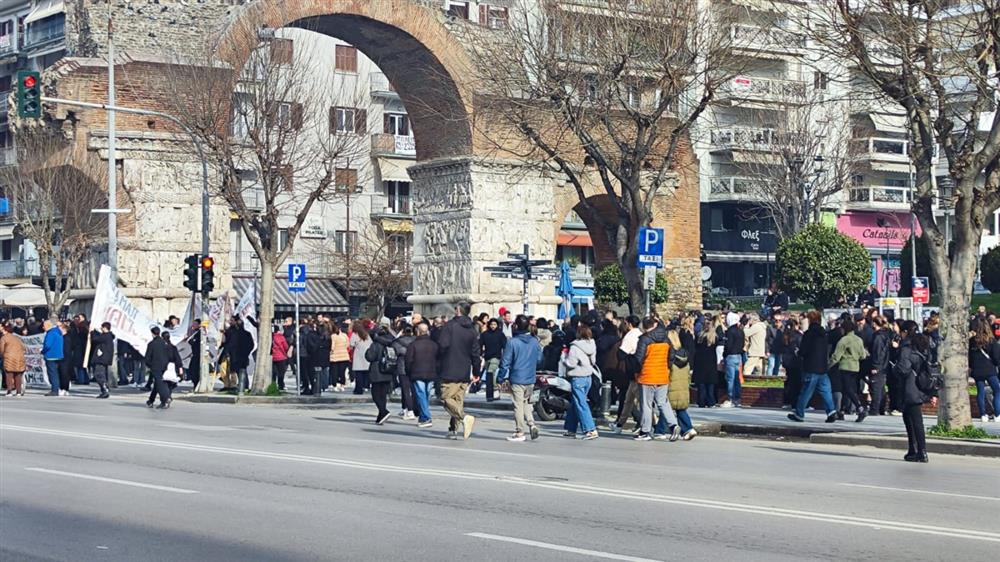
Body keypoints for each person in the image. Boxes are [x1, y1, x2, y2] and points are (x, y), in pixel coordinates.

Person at [437, 301, 481, 439]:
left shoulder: (450, 326)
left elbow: (442, 346)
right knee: (457, 399)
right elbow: (476, 353)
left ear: (458, 311)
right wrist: (476, 371)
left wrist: (439, 360)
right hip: (464, 369)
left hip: (450, 367)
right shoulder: (472, 329)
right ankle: (453, 429)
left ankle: (464, 417)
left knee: (445, 398)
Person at [496, 314, 543, 442]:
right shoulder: (534, 341)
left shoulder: (512, 342)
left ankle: (519, 431)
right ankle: (532, 424)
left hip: (517, 377)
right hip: (530, 377)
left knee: (518, 405)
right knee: (526, 403)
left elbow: (505, 362)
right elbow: (539, 359)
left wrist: (500, 378)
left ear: (516, 326)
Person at [895, 324, 936, 462]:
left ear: (905, 332)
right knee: (914, 420)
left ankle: (920, 451)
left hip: (909, 387)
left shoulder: (906, 348)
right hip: (920, 386)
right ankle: (915, 450)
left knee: (913, 421)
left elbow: (903, 369)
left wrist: (894, 368)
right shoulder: (923, 346)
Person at [634, 317, 678, 441]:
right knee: (663, 402)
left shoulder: (644, 339)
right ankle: (673, 425)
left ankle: (645, 431)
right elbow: (672, 355)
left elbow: (639, 359)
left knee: (647, 404)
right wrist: (667, 367)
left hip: (647, 375)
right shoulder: (665, 338)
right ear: (655, 324)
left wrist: (637, 372)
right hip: (662, 374)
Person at [788, 311, 837, 423]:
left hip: (811, 367)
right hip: (822, 367)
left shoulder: (809, 333)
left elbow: (804, 351)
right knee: (826, 391)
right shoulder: (824, 334)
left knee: (806, 391)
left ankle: (799, 414)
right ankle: (831, 411)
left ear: (810, 320)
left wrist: (798, 352)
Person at [561, 323, 600, 440]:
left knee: (581, 403)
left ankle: (590, 429)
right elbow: (593, 361)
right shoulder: (592, 344)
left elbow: (571, 363)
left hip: (578, 377)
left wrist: (563, 357)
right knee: (575, 402)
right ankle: (571, 429)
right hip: (588, 376)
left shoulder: (575, 347)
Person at [829, 318, 870, 422]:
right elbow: (863, 355)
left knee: (848, 389)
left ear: (844, 329)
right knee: (846, 389)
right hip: (855, 367)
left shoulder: (843, 340)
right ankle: (841, 411)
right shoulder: (859, 340)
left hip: (845, 366)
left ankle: (860, 408)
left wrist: (828, 366)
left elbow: (836, 357)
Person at [610, 315, 643, 433]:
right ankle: (620, 424)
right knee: (628, 400)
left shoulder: (630, 336)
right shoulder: (641, 334)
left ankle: (647, 424)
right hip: (637, 371)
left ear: (629, 324)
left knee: (640, 402)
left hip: (633, 371)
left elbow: (621, 354)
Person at [405, 323, 439, 428]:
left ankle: (426, 417)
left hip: (417, 373)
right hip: (431, 373)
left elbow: (408, 361)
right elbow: (438, 360)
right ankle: (423, 417)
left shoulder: (413, 345)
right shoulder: (434, 345)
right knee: (426, 395)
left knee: (421, 395)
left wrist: (408, 372)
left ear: (418, 332)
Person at [364, 320, 397, 425]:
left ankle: (383, 411)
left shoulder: (376, 344)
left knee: (376, 394)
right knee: (383, 394)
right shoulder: (391, 342)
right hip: (388, 370)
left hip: (377, 370)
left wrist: (367, 351)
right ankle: (381, 416)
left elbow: (370, 357)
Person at [666, 330, 697, 440]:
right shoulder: (684, 354)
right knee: (680, 409)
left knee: (666, 408)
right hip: (683, 386)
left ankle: (660, 430)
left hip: (671, 386)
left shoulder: (670, 356)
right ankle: (688, 429)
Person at [969, 320, 1000, 422]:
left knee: (980, 392)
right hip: (989, 369)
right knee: (997, 390)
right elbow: (996, 357)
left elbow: (969, 357)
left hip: (977, 370)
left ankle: (983, 415)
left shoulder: (972, 341)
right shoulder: (991, 340)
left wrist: (972, 367)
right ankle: (997, 414)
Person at [145, 326, 181, 409]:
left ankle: (166, 398)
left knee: (160, 383)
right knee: (158, 383)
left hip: (155, 367)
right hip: (165, 366)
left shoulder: (152, 344)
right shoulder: (165, 344)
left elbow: (147, 357)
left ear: (153, 334)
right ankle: (151, 400)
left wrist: (150, 365)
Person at [868, 315, 894, 415]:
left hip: (878, 365)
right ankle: (881, 408)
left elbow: (877, 352)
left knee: (876, 387)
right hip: (884, 365)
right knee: (881, 388)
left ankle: (875, 409)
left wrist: (875, 366)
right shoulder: (885, 335)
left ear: (874, 323)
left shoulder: (878, 337)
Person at [693, 317, 720, 408]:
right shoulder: (714, 337)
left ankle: (701, 401)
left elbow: (696, 348)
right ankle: (711, 401)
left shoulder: (699, 336)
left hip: (700, 361)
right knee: (710, 383)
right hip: (711, 361)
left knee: (701, 383)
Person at [392, 325, 417, 420]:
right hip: (414, 366)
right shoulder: (416, 341)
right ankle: (412, 408)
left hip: (402, 367)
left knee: (405, 389)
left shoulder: (398, 342)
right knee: (414, 389)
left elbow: (395, 349)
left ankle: (408, 409)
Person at [479, 318, 506, 401]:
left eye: (494, 324)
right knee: (488, 375)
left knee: (491, 373)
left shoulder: (500, 335)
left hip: (496, 357)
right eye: (491, 324)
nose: (493, 326)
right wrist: (480, 354)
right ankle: (490, 395)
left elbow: (505, 346)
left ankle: (495, 389)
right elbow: (479, 344)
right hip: (487, 357)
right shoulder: (485, 334)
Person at [722, 314, 745, 407]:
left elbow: (728, 346)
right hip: (739, 355)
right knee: (736, 378)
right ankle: (738, 399)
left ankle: (730, 399)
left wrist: (724, 354)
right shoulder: (741, 331)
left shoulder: (730, 331)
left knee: (730, 379)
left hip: (731, 356)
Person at [89, 322, 115, 399]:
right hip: (103, 358)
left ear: (105, 328)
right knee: (101, 374)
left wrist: (92, 331)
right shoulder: (108, 336)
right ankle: (104, 389)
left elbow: (95, 339)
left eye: (102, 327)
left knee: (98, 374)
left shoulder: (106, 336)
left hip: (102, 358)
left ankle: (105, 389)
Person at [780, 317, 803, 409]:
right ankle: (795, 402)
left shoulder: (784, 335)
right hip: (796, 361)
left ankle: (787, 399)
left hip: (787, 361)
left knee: (789, 381)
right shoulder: (798, 335)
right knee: (796, 383)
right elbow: (801, 347)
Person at [0, 324, 27, 397]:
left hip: (9, 358)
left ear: (5, 330)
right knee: (18, 375)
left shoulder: (4, 338)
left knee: (9, 375)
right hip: (19, 358)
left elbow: (1, 349)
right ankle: (18, 392)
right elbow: (24, 348)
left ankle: (9, 391)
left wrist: (2, 355)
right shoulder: (17, 338)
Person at [41, 319, 64, 397]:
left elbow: (48, 345)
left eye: (44, 326)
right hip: (58, 355)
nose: (43, 327)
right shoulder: (58, 332)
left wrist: (43, 351)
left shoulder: (50, 333)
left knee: (52, 373)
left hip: (51, 355)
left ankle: (54, 390)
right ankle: (57, 388)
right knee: (56, 373)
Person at [349, 321, 372, 395]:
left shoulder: (355, 335)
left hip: (358, 356)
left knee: (358, 373)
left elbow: (351, 345)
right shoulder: (366, 334)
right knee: (366, 372)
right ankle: (366, 386)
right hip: (367, 355)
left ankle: (358, 389)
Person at [744, 313, 767, 377]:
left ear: (753, 319)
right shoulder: (762, 326)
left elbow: (746, 333)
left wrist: (746, 326)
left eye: (749, 319)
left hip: (754, 351)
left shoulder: (756, 326)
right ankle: (758, 383)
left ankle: (746, 382)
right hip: (760, 351)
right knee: (758, 369)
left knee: (747, 368)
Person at [329, 322, 351, 392]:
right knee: (342, 372)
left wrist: (331, 352)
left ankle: (335, 385)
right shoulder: (344, 335)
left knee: (334, 372)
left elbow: (332, 346)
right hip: (344, 355)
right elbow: (348, 344)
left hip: (335, 356)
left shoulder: (333, 336)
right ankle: (342, 385)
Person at [271, 326, 290, 391]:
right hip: (281, 357)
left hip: (273, 357)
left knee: (273, 373)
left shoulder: (270, 337)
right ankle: (281, 385)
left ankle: (273, 385)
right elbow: (286, 347)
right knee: (281, 373)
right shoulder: (281, 337)